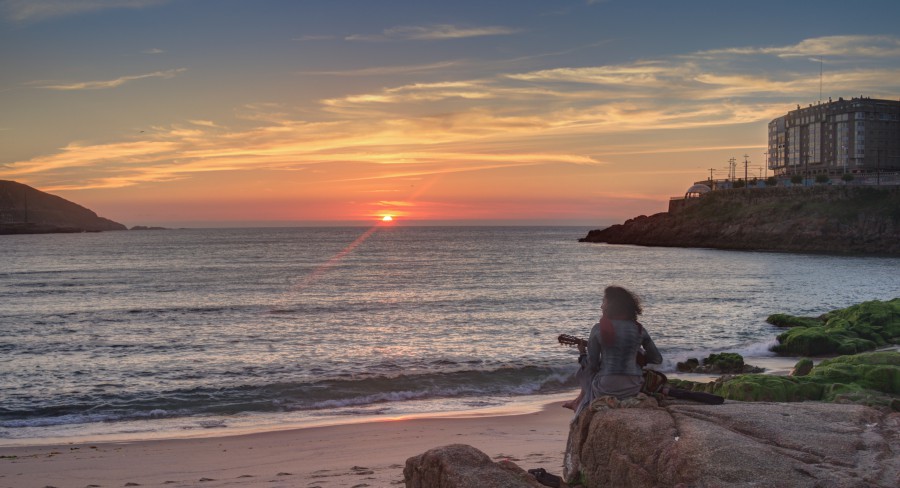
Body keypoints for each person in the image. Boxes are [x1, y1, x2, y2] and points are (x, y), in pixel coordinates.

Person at [563, 286, 662, 415]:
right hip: (633, 387)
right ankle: (576, 402)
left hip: (606, 388)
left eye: (603, 302)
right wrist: (639, 359)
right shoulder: (639, 329)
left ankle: (578, 403)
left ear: (611, 305)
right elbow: (657, 359)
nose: (601, 306)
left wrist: (582, 353)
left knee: (583, 371)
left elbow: (591, 366)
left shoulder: (598, 329)